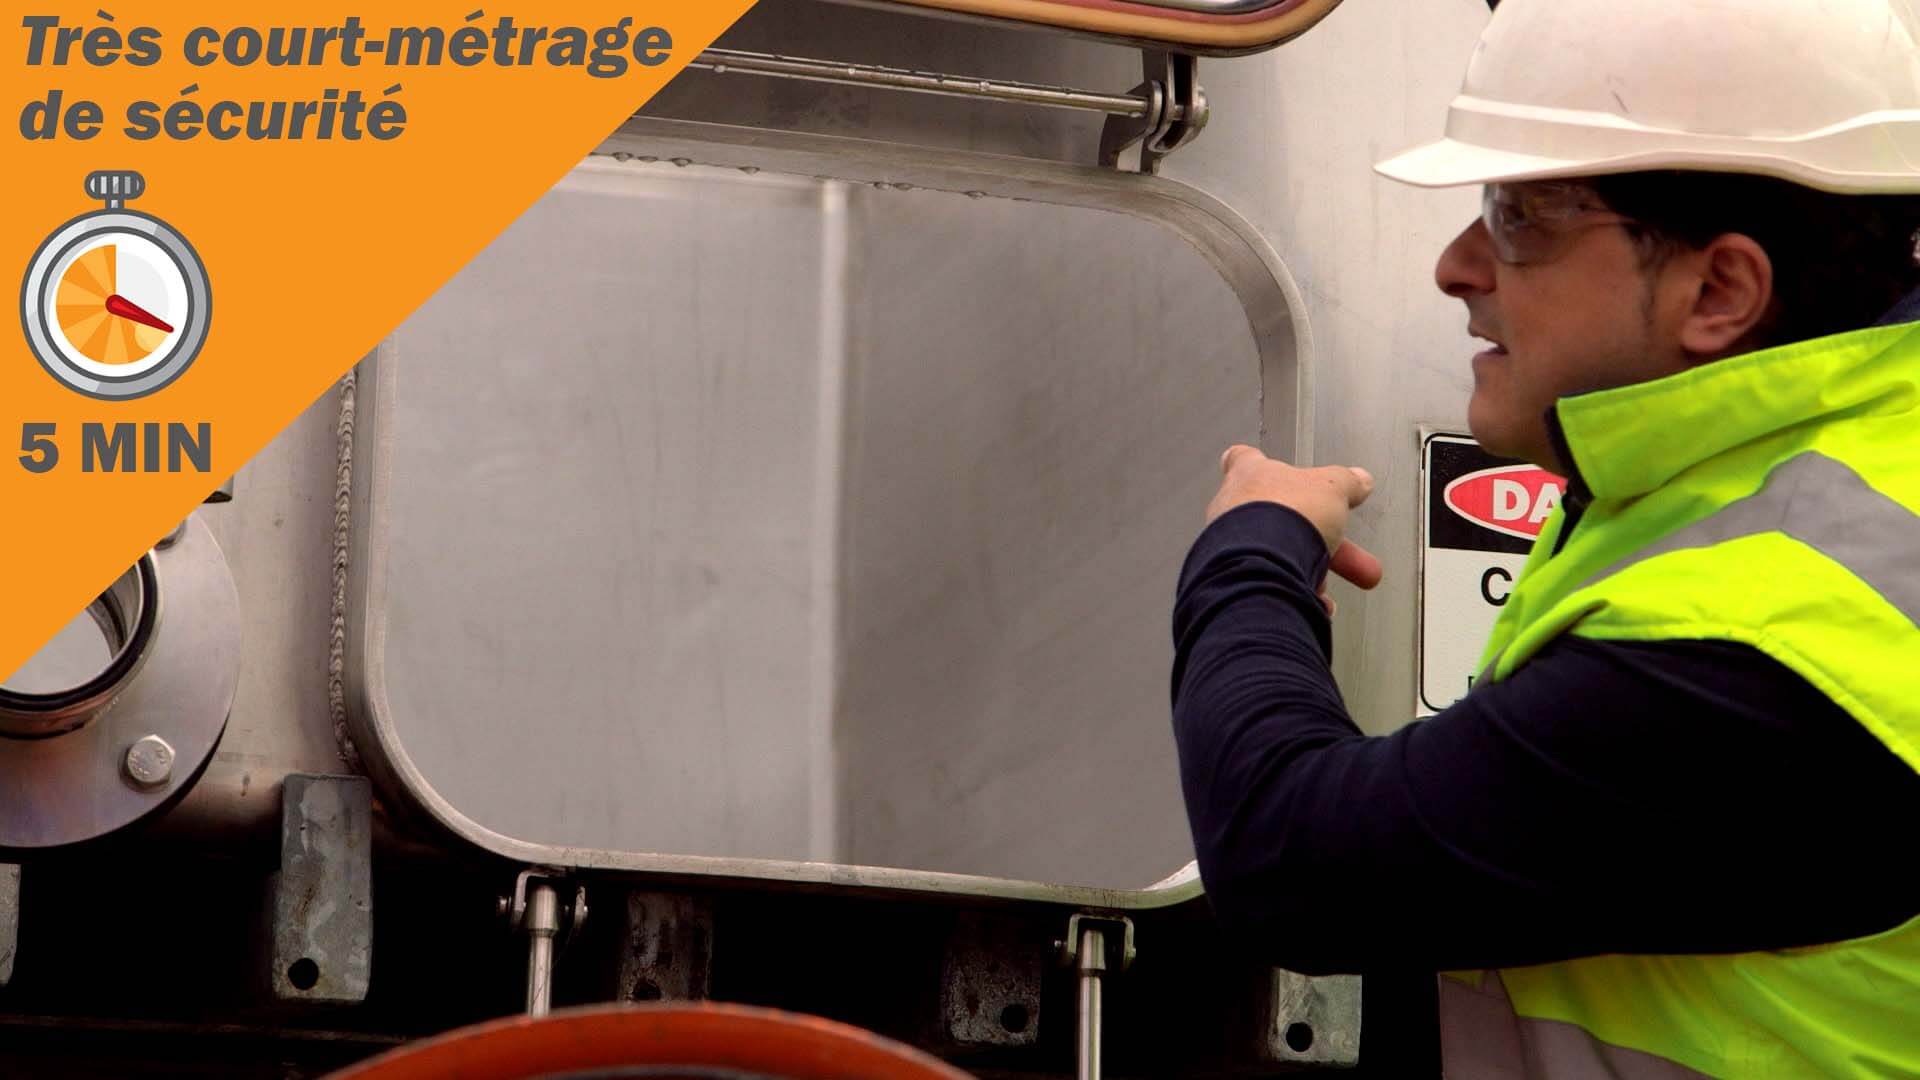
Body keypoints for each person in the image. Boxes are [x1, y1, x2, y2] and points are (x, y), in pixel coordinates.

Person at [1170, 0, 1920, 1075]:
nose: (1455, 266)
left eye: (1524, 220)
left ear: (1720, 289)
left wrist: (1251, 551)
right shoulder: (1831, 462)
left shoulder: (1764, 654)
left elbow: (1292, 856)